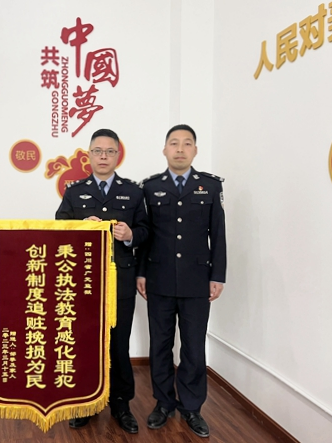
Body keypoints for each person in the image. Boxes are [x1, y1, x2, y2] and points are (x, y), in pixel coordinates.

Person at [55, 128, 148, 434]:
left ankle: (121, 404)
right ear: (89, 155)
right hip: (84, 281)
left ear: (118, 155)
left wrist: (130, 234)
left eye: (109, 151)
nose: (103, 156)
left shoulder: (133, 192)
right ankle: (85, 403)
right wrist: (81, 226)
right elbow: (58, 228)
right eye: (98, 151)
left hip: (121, 280)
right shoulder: (74, 191)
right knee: (85, 342)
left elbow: (146, 231)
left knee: (119, 344)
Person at [137, 124, 226, 438]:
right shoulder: (150, 187)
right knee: (160, 345)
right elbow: (145, 235)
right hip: (159, 279)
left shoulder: (209, 186)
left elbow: (218, 234)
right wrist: (141, 272)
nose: (179, 149)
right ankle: (163, 403)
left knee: (193, 346)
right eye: (174, 143)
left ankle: (191, 407)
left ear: (195, 150)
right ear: (164, 150)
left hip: (197, 281)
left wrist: (217, 276)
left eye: (187, 143)